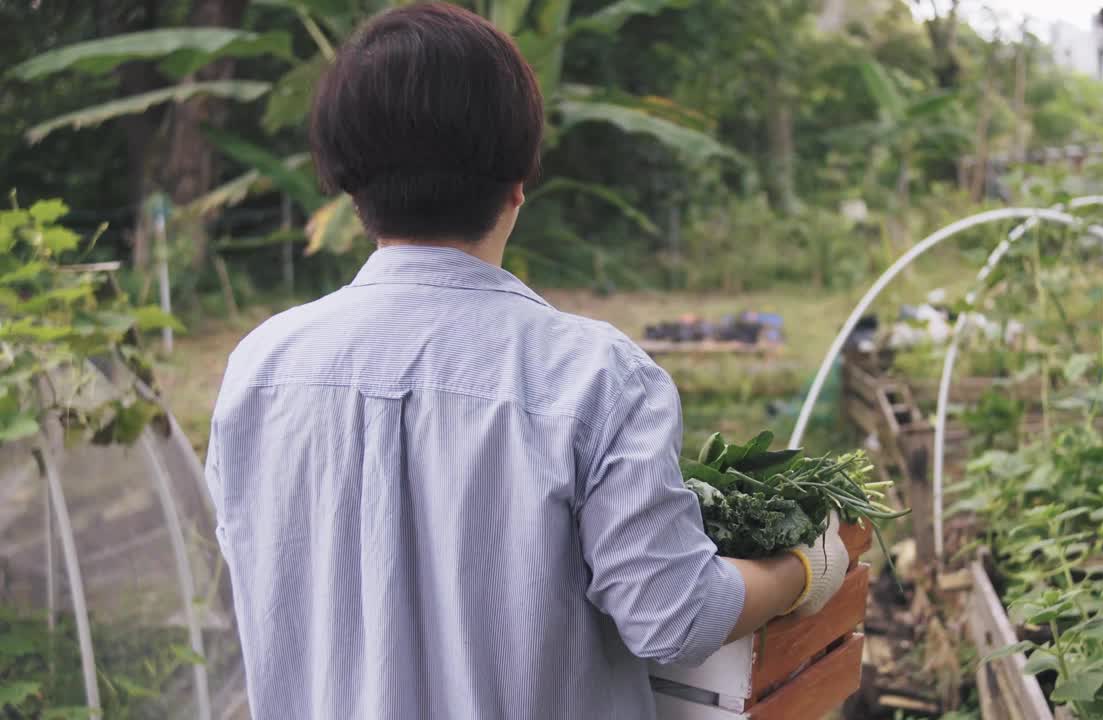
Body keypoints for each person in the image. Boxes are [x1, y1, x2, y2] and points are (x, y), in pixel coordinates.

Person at [205, 3, 848, 718]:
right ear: (518, 181)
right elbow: (673, 616)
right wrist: (805, 568)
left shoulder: (259, 370)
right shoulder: (593, 378)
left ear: (351, 187)